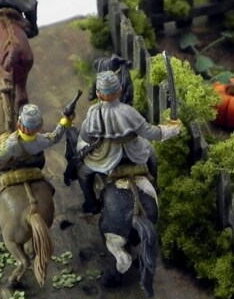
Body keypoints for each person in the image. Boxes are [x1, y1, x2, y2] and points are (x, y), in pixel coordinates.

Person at [73, 70, 182, 213]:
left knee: (83, 173)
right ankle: (154, 183)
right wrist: (172, 129)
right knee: (152, 155)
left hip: (105, 157)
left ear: (99, 94)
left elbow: (86, 137)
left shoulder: (94, 113)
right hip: (135, 152)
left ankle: (91, 204)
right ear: (119, 91)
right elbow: (151, 132)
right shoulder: (129, 112)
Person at [0, 103, 70, 208]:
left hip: (15, 164)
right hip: (35, 163)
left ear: (19, 124)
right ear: (39, 127)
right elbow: (55, 137)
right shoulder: (42, 139)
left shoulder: (12, 144)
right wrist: (64, 122)